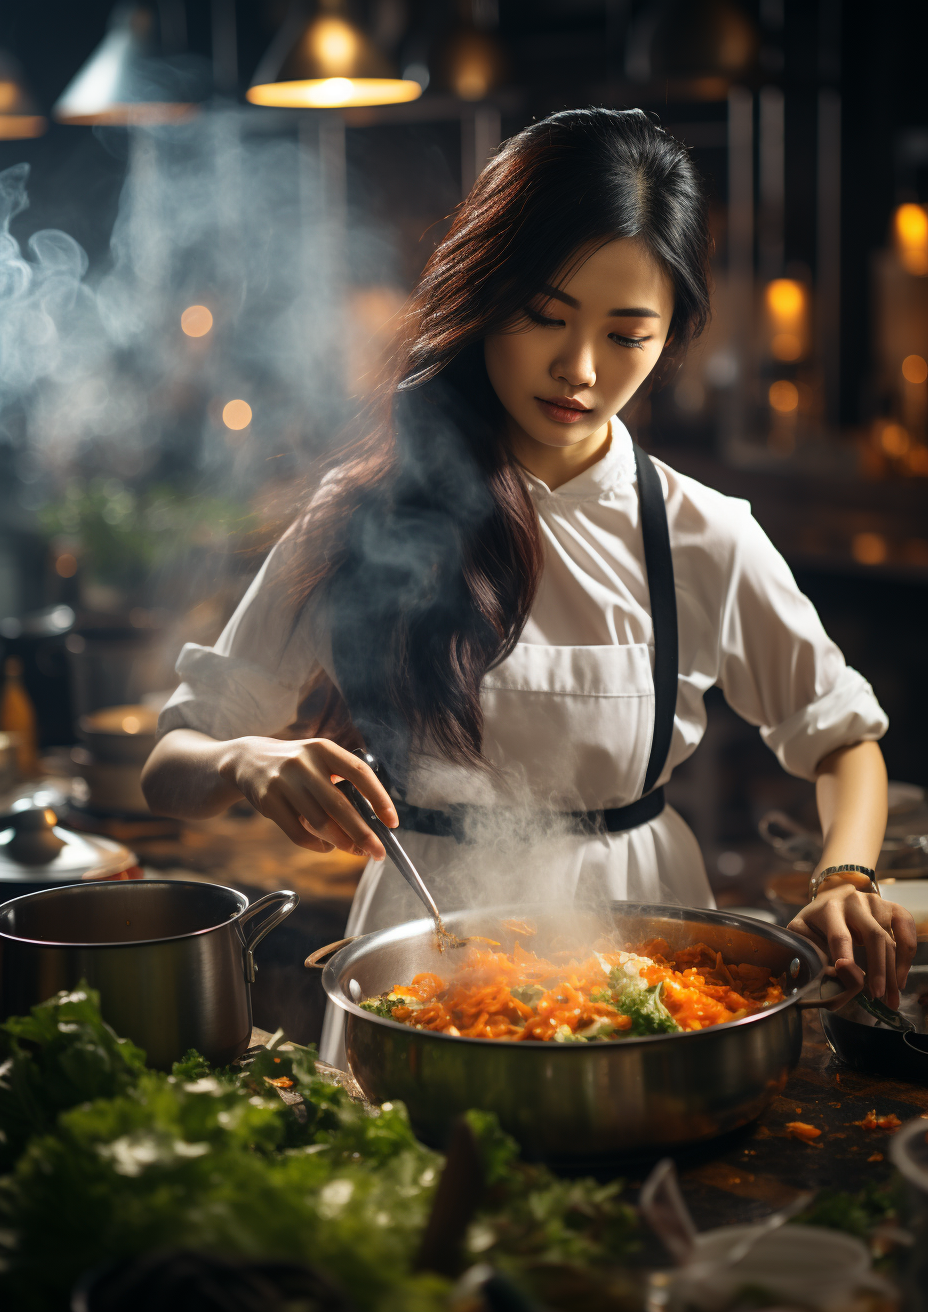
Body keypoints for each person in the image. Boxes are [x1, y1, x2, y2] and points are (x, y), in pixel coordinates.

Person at [143, 108, 916, 1068]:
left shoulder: (701, 533)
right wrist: (245, 762)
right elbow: (171, 763)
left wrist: (845, 874)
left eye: (627, 335)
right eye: (546, 317)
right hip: (423, 957)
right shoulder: (362, 511)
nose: (580, 370)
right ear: (482, 297)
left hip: (650, 958)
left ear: (669, 337)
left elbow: (843, 736)